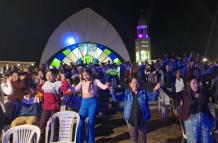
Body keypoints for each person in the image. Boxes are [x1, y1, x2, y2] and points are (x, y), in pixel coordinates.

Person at [73, 68, 110, 143]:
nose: (86, 76)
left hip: (93, 103)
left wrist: (106, 85)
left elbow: (103, 87)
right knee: (80, 123)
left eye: (87, 75)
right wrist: (69, 87)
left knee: (91, 123)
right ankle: (79, 141)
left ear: (90, 74)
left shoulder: (95, 81)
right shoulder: (82, 82)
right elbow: (74, 89)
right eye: (84, 75)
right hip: (84, 103)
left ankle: (90, 141)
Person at [175, 77, 215, 143]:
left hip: (204, 121)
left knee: (207, 139)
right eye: (193, 83)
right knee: (194, 140)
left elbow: (212, 93)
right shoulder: (185, 93)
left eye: (197, 83)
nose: (196, 85)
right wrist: (162, 87)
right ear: (189, 85)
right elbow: (173, 95)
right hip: (191, 122)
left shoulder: (202, 93)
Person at [124, 77, 160, 143]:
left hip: (142, 120)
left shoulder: (144, 92)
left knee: (143, 140)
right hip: (131, 121)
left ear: (139, 84)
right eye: (133, 83)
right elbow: (116, 99)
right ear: (130, 84)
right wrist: (112, 90)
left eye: (136, 82)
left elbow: (153, 97)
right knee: (134, 140)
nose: (135, 84)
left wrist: (156, 90)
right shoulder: (127, 93)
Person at [39, 70, 62, 143]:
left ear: (55, 76)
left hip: (54, 107)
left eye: (50, 75)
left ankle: (54, 139)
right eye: (47, 75)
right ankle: (41, 139)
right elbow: (42, 91)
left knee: (55, 124)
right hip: (46, 107)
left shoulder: (58, 83)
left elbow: (61, 93)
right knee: (42, 124)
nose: (48, 77)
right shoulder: (46, 83)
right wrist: (39, 84)